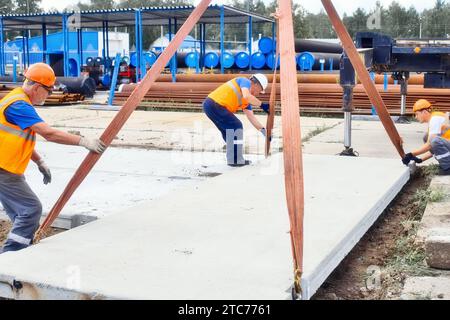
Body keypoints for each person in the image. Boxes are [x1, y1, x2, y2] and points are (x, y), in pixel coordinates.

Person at [0, 63, 106, 254]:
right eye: (48, 91)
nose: (48, 95)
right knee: (31, 209)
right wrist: (83, 141)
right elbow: (48, 133)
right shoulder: (19, 106)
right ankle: (10, 256)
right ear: (37, 87)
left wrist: (39, 161)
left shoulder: (17, 99)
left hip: (7, 167)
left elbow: (15, 137)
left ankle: (19, 251)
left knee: (19, 213)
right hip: (4, 170)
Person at [203, 74, 270, 166]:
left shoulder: (246, 101)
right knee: (236, 126)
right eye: (260, 91)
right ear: (256, 84)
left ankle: (233, 159)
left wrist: (264, 131)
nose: (258, 93)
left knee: (230, 132)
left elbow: (251, 117)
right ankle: (235, 160)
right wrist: (262, 105)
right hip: (214, 104)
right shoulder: (244, 81)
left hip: (212, 107)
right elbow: (247, 96)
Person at [402, 99, 450, 175]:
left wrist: (411, 154)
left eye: (417, 114)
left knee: (433, 140)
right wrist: (420, 159)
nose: (416, 117)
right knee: (427, 137)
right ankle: (446, 165)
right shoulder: (434, 118)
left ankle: (447, 167)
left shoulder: (435, 119)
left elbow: (431, 144)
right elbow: (435, 148)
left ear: (424, 112)